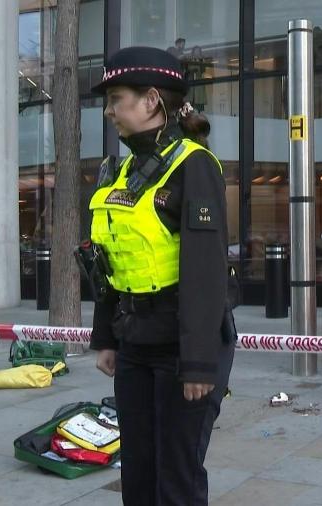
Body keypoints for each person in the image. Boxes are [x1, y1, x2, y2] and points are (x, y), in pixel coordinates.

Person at [87, 46, 236, 505]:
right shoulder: (126, 170)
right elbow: (110, 259)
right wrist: (106, 338)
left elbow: (206, 273)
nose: (109, 111)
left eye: (117, 99)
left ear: (151, 100)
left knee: (177, 477)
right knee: (138, 471)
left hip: (179, 349)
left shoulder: (193, 165)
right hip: (135, 342)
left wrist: (197, 363)